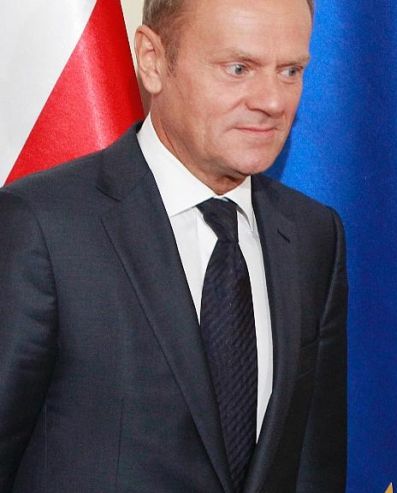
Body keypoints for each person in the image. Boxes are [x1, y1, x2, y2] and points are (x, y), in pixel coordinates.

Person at [0, 0, 346, 491]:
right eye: (239, 68)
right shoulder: (42, 227)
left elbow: (314, 467)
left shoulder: (315, 237)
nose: (273, 100)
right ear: (152, 60)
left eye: (290, 70)